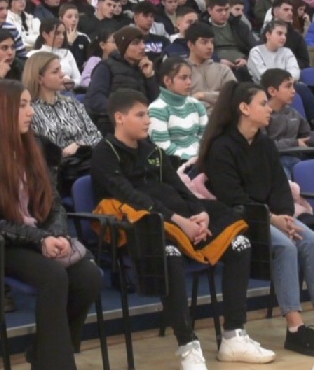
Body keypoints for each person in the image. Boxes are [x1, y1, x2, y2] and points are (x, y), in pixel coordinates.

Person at [92, 88, 267, 366]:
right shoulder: (104, 153)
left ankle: (234, 335)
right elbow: (131, 197)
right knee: (168, 253)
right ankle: (187, 344)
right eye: (140, 115)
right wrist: (178, 221)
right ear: (119, 118)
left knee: (240, 242)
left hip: (179, 217)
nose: (148, 120)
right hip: (141, 227)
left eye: (148, 114)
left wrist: (199, 213)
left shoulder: (152, 149)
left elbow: (179, 186)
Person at [0, 80, 102, 370]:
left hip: (39, 237)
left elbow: (54, 203)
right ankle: (58, 365)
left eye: (29, 104)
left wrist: (56, 234)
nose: (31, 111)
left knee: (89, 277)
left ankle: (44, 350)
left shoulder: (36, 147)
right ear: (2, 110)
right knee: (53, 277)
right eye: (22, 105)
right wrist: (39, 239)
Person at [198, 81, 314, 357]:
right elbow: (233, 198)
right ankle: (295, 328)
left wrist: (285, 216)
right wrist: (273, 220)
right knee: (285, 247)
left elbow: (279, 185)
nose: (268, 109)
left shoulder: (264, 143)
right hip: (239, 219)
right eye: (262, 104)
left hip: (270, 216)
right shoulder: (221, 147)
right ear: (244, 108)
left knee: (312, 241)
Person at [24, 51, 101, 191]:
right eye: (55, 71)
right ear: (39, 78)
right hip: (56, 173)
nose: (62, 74)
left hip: (86, 161)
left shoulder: (72, 103)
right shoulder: (30, 111)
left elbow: (96, 135)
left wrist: (79, 145)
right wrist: (63, 152)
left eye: (60, 69)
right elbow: (37, 150)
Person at [85, 27, 159, 132]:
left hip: (142, 124)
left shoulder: (143, 68)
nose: (143, 47)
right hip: (112, 125)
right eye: (136, 43)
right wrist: (123, 113)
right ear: (123, 46)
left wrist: (149, 77)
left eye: (143, 42)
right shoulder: (106, 66)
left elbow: (155, 102)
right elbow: (95, 99)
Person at [149, 57, 207, 161]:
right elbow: (163, 147)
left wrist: (202, 157)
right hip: (175, 163)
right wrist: (191, 159)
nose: (189, 82)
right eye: (183, 78)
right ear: (167, 80)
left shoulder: (196, 104)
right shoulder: (157, 109)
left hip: (200, 159)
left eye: (189, 77)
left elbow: (205, 137)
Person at [29, 18, 80, 86]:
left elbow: (78, 79)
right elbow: (31, 80)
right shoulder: (33, 55)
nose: (62, 37)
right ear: (45, 34)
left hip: (67, 89)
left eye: (63, 33)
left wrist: (69, 83)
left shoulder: (67, 53)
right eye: (57, 33)